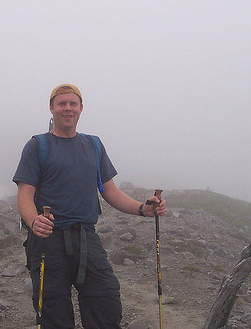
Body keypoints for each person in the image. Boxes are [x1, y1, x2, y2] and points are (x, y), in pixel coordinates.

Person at [13, 84, 167, 329]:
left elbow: (109, 191)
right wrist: (34, 221)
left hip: (86, 237)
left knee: (106, 301)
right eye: (61, 104)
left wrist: (143, 209)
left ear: (81, 108)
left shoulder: (93, 145)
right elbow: (24, 194)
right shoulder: (37, 146)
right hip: (47, 240)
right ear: (51, 109)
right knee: (54, 315)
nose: (67, 108)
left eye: (73, 104)